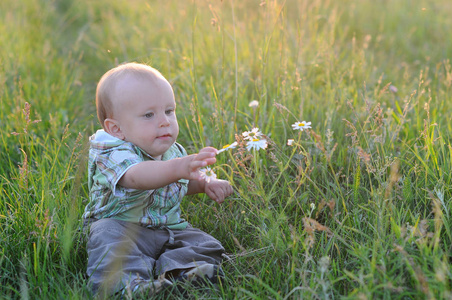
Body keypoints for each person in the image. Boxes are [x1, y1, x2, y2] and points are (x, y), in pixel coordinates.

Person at [82, 62, 233, 296]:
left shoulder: (172, 152)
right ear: (116, 129)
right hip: (120, 228)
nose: (164, 121)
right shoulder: (111, 150)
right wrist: (178, 167)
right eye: (149, 115)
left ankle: (181, 276)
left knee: (203, 243)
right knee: (108, 242)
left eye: (169, 111)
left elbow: (178, 183)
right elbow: (136, 177)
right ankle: (131, 289)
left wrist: (204, 183)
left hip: (167, 230)